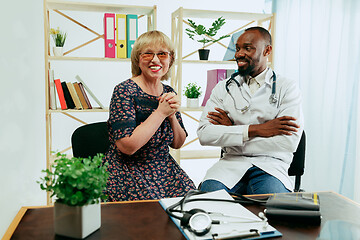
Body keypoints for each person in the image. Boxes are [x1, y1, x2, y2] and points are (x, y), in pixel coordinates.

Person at [197, 26, 304, 194]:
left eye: (248, 48)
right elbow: (205, 134)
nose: (239, 54)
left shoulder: (287, 88)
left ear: (267, 50)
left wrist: (232, 133)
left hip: (271, 165)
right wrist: (260, 129)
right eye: (238, 48)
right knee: (210, 199)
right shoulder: (223, 88)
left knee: (270, 208)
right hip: (230, 165)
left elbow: (287, 142)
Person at [103, 30, 196, 201]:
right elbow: (128, 146)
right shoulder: (124, 91)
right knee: (155, 209)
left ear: (170, 60)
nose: (155, 60)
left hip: (163, 167)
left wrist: (172, 115)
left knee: (192, 203)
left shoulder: (168, 91)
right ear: (138, 60)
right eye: (148, 54)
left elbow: (178, 143)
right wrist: (161, 112)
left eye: (162, 54)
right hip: (128, 169)